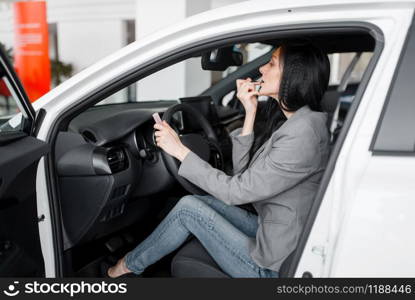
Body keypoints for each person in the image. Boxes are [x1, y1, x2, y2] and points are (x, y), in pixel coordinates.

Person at [107, 43, 331, 278]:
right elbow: (243, 175)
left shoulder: (302, 134)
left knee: (188, 210)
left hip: (273, 267)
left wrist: (180, 151)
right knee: (194, 201)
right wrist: (250, 112)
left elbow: (236, 192)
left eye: (272, 63)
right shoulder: (300, 123)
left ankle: (123, 269)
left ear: (296, 75)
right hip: (275, 233)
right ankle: (130, 264)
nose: (262, 69)